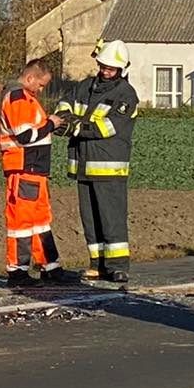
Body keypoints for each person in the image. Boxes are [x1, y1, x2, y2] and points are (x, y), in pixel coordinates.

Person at [51, 39, 139, 283]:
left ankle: (118, 266)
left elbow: (106, 127)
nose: (105, 72)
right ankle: (97, 264)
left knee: (112, 218)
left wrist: (74, 127)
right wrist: (67, 121)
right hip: (82, 165)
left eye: (110, 69)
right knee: (90, 219)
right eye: (102, 66)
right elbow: (63, 107)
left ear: (120, 70)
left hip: (109, 167)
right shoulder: (85, 86)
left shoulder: (126, 95)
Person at [0, 60, 77, 287]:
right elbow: (25, 136)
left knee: (40, 220)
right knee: (21, 222)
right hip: (24, 167)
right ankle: (17, 271)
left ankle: (50, 266)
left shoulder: (27, 99)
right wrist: (50, 124)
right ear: (30, 78)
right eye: (41, 85)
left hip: (35, 169)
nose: (41, 90)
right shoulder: (18, 98)